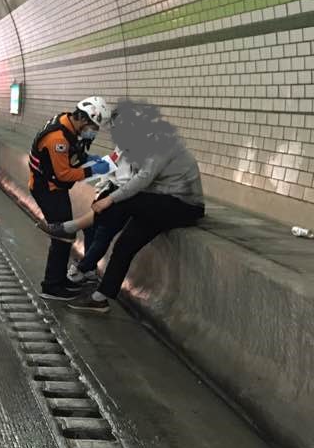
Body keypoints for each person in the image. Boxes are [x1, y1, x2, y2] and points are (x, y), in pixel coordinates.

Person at [66, 102, 205, 314]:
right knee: (124, 246)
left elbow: (142, 179)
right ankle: (100, 298)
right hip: (159, 204)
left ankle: (72, 228)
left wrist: (109, 200)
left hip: (184, 205)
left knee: (121, 203)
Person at [29, 97, 114, 300]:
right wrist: (93, 170)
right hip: (47, 189)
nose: (94, 132)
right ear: (83, 119)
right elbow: (63, 174)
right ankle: (51, 286)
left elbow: (71, 153)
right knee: (62, 236)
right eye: (93, 127)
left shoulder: (67, 123)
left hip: (54, 188)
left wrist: (86, 158)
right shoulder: (57, 138)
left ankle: (58, 279)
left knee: (66, 234)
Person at [39, 144, 136, 283]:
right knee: (90, 228)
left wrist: (110, 197)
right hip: (111, 190)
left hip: (125, 195)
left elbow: (135, 181)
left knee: (104, 232)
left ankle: (82, 267)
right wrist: (100, 191)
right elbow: (110, 167)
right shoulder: (122, 146)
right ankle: (89, 269)